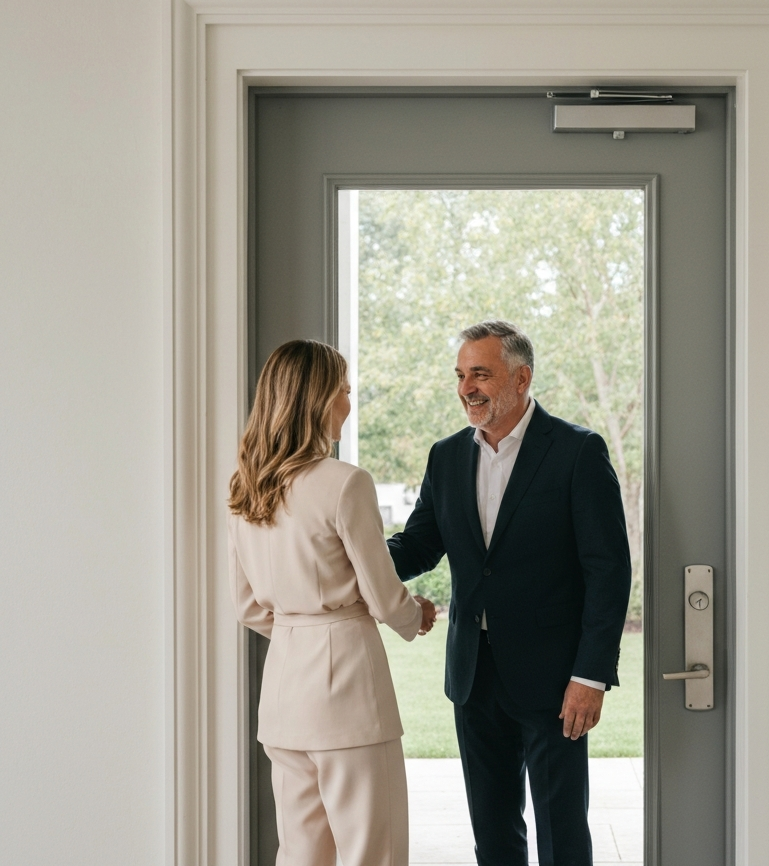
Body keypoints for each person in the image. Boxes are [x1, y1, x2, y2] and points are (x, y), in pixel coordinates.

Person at [388, 320, 631, 866]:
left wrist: (590, 676)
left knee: (562, 836)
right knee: (493, 835)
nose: (467, 387)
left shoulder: (577, 452)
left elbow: (608, 571)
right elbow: (419, 546)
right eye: (460, 375)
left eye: (481, 374)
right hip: (474, 676)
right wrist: (347, 555)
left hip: (555, 679)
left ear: (521, 378)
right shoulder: (446, 456)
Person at [227, 339, 436, 866]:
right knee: (374, 852)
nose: (348, 403)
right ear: (317, 399)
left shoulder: (246, 487)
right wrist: (418, 615)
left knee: (301, 854)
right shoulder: (345, 484)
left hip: (283, 700)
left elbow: (248, 607)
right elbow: (385, 598)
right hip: (348, 698)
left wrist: (302, 631)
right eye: (343, 391)